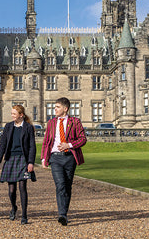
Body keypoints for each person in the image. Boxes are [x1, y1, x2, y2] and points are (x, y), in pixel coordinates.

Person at [41, 97, 87, 226]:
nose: (54, 109)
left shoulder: (75, 122)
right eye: (54, 107)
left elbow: (83, 139)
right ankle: (62, 214)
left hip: (70, 157)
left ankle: (64, 213)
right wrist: (44, 158)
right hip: (55, 157)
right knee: (60, 185)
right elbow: (46, 142)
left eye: (57, 107)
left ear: (65, 109)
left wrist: (69, 145)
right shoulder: (51, 123)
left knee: (67, 185)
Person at [0, 104, 36, 225]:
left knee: (23, 187)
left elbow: (32, 146)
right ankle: (14, 207)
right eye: (11, 113)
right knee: (12, 189)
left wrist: (31, 162)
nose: (12, 115)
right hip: (10, 159)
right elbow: (3, 144)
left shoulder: (28, 127)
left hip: (23, 159)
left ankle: (24, 215)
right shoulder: (8, 126)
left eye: (14, 114)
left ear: (21, 115)